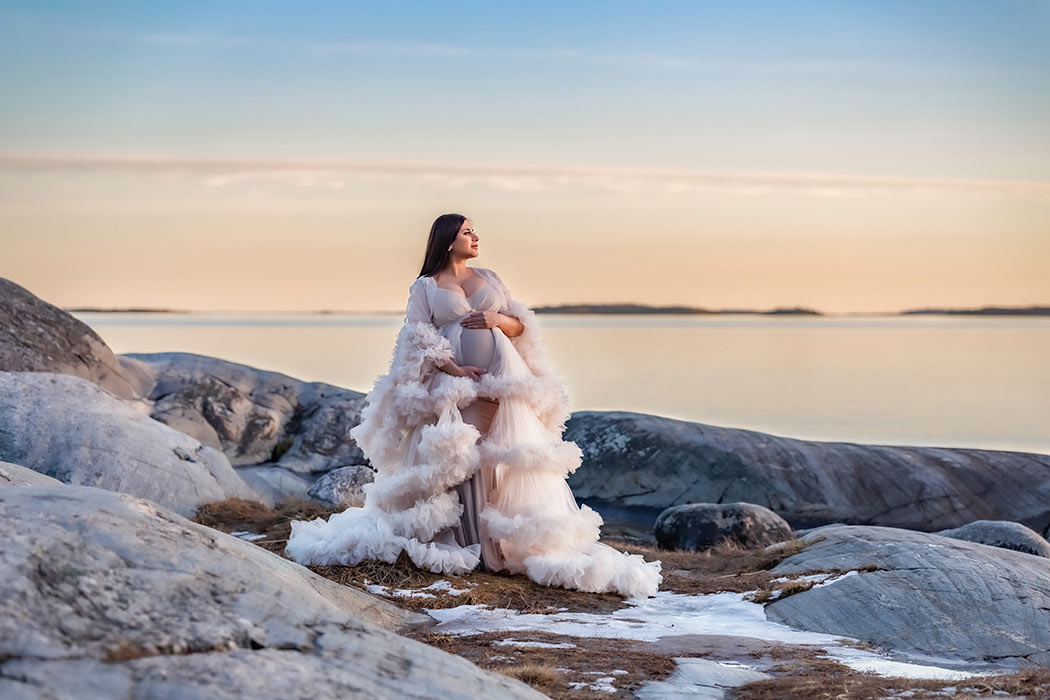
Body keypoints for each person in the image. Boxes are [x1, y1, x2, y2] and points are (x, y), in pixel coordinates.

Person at [284, 214, 662, 598]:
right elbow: (417, 336)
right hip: (454, 386)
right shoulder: (426, 286)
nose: (475, 236)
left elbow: (519, 327)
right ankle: (472, 546)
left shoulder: (491, 278)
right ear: (449, 240)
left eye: (474, 231)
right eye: (467, 232)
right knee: (463, 457)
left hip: (504, 382)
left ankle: (497, 546)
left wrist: (498, 318)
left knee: (498, 457)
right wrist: (454, 368)